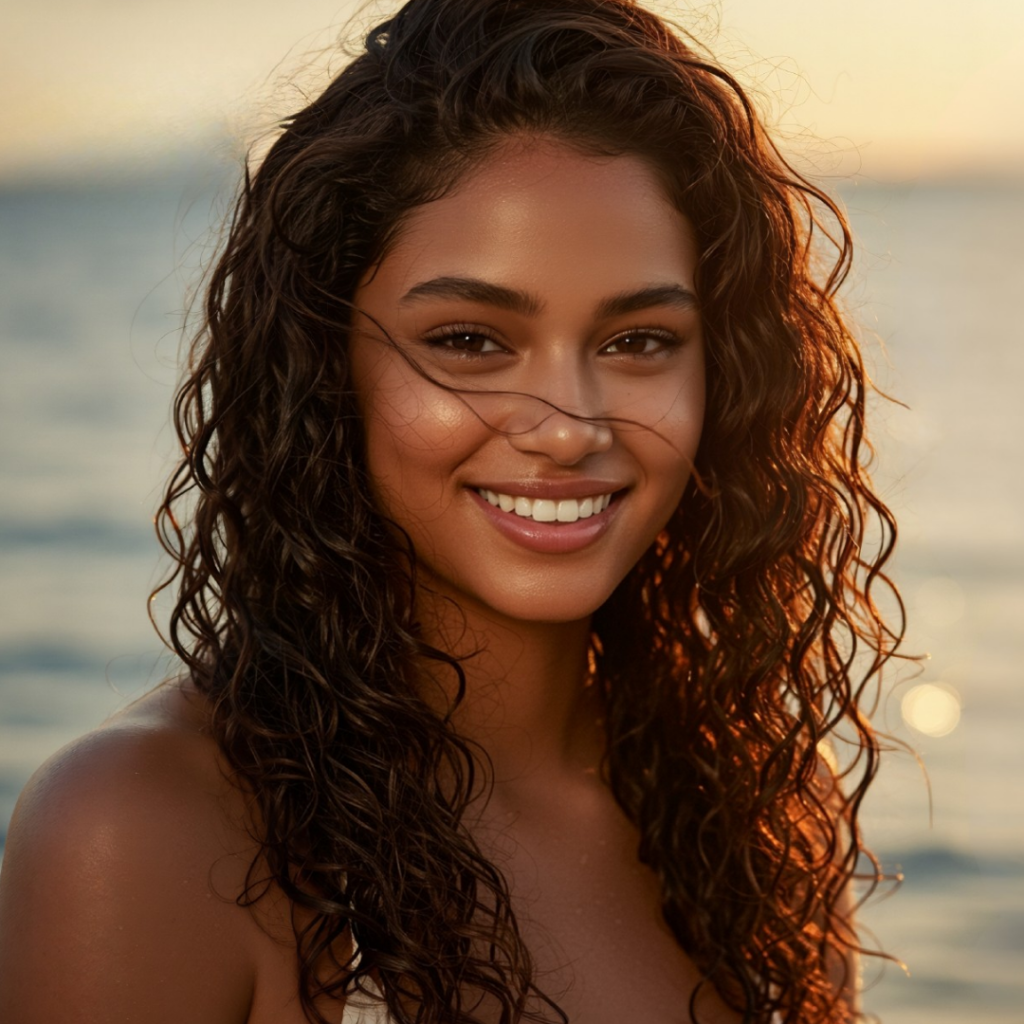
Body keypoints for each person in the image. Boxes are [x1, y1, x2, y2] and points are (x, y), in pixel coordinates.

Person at [0, 1, 905, 1021]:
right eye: (470, 340)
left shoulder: (760, 805)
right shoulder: (150, 832)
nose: (568, 426)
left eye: (639, 340)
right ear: (326, 362)